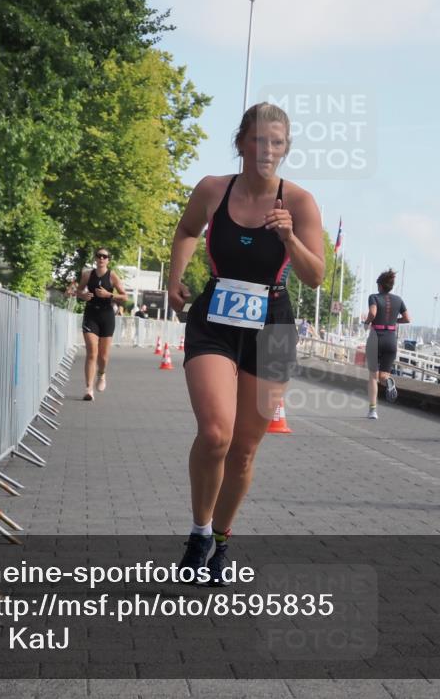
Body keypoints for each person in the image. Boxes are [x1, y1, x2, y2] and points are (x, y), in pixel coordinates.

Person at [167, 102, 324, 585]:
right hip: (215, 316)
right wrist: (175, 280)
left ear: (286, 150)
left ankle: (222, 538)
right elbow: (188, 229)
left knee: (244, 451)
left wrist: (291, 237)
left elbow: (315, 276)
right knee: (216, 433)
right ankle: (198, 534)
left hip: (273, 325)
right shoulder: (214, 189)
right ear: (241, 143)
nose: (267, 151)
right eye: (258, 140)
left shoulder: (298, 202)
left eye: (277, 143)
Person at [73, 248, 127, 401]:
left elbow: (124, 296)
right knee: (92, 353)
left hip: (107, 315)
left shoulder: (112, 276)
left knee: (103, 356)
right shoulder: (87, 275)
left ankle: (101, 374)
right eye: (99, 256)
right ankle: (89, 389)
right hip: (91, 314)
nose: (101, 258)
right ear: (95, 258)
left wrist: (109, 294)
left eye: (105, 256)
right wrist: (83, 295)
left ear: (108, 260)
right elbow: (78, 291)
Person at [363, 269, 410, 419]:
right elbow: (408, 318)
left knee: (372, 376)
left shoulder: (374, 297)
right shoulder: (399, 300)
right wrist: (394, 321)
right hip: (391, 339)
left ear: (380, 285)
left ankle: (373, 410)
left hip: (376, 337)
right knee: (383, 375)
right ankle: (388, 381)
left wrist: (367, 322)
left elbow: (373, 313)